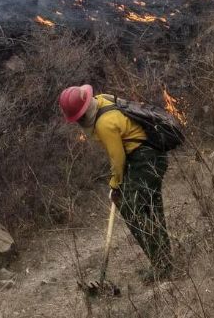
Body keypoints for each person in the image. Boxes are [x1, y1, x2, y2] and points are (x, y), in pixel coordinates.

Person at [58, 84, 173, 282]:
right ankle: (163, 262)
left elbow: (117, 158)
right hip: (150, 156)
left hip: (145, 159)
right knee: (151, 207)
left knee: (131, 209)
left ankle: (161, 265)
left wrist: (115, 185)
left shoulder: (103, 124)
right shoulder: (103, 99)